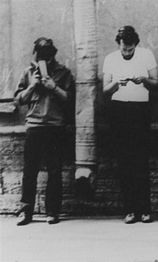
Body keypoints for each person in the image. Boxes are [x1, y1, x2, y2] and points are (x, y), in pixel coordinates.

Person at [14, 37, 75, 226]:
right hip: (34, 126)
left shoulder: (63, 72)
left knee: (54, 170)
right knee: (29, 171)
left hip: (55, 126)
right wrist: (33, 85)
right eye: (42, 56)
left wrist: (53, 87)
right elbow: (18, 100)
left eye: (48, 57)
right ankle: (26, 211)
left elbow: (70, 99)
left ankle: (52, 211)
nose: (45, 61)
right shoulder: (29, 72)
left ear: (53, 55)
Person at [103, 25, 158, 224]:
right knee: (124, 161)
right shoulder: (110, 59)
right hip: (118, 111)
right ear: (118, 44)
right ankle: (129, 210)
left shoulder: (146, 55)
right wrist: (117, 84)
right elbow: (105, 90)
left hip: (140, 110)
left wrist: (143, 79)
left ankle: (144, 209)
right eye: (123, 48)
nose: (126, 52)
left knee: (141, 161)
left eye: (130, 49)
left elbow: (156, 83)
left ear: (136, 44)